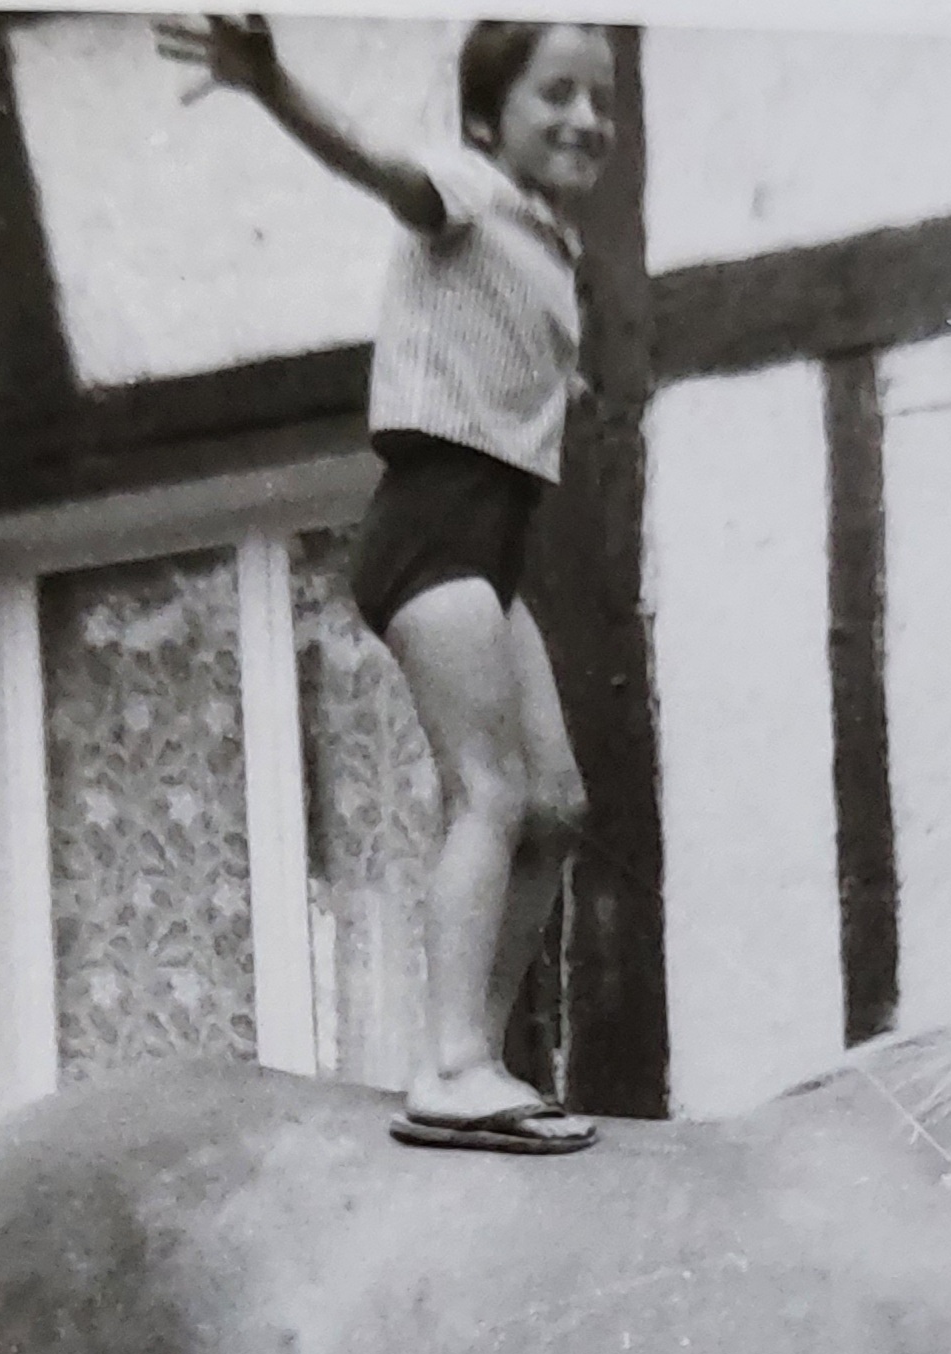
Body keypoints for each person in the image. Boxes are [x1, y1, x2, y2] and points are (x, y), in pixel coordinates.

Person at [157, 13, 615, 1153]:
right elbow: (377, 163)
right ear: (484, 117)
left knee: (558, 814)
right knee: (492, 794)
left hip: (490, 535)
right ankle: (451, 1067)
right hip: (433, 523)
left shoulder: (550, 246)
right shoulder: (462, 188)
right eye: (556, 93)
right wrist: (271, 85)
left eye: (601, 100)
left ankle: (476, 1054)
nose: (586, 118)